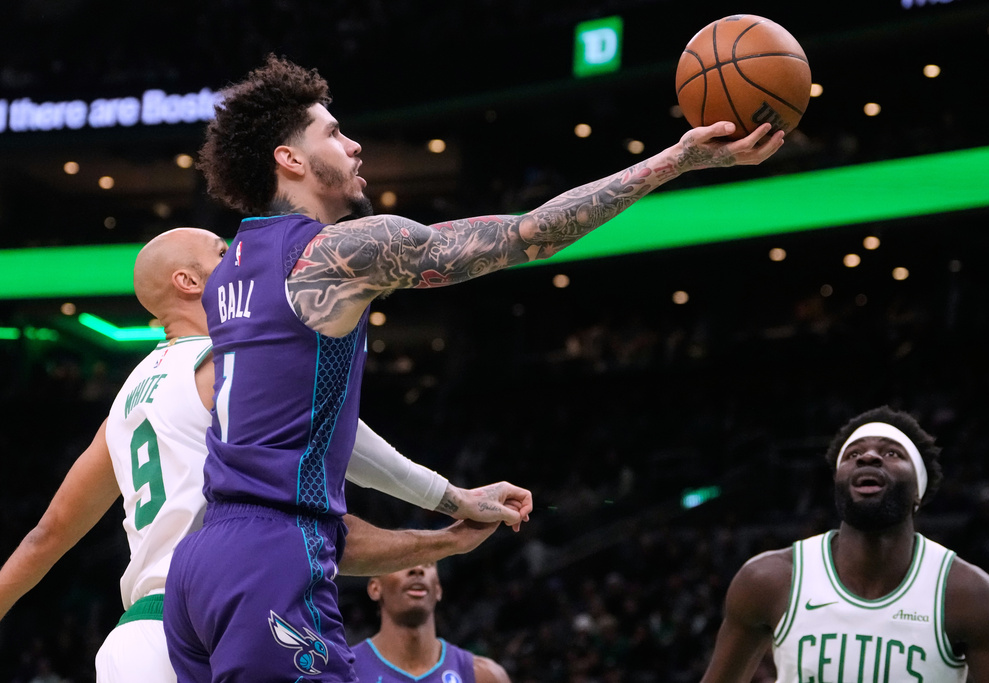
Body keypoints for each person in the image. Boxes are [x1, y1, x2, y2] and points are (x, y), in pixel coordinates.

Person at [162, 53, 784, 683]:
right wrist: (676, 160)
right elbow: (527, 235)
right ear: (289, 159)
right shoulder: (333, 255)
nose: (353, 146)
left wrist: (450, 499)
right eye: (332, 132)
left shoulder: (230, 267)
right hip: (270, 556)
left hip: (203, 561)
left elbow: (323, 437)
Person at [0, 227, 532, 682]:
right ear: (188, 283)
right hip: (222, 616)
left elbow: (44, 538)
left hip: (134, 638)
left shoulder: (125, 403)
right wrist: (452, 497)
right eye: (219, 251)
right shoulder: (227, 364)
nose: (237, 259)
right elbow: (346, 440)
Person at [698, 406, 989, 683]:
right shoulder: (768, 579)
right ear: (839, 485)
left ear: (917, 493)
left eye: (891, 453)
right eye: (853, 454)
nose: (868, 456)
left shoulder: (969, 594)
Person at [351, 562, 511, 683]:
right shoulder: (342, 672)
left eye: (427, 563)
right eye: (401, 560)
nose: (417, 569)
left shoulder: (484, 675)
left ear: (438, 589)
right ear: (375, 588)